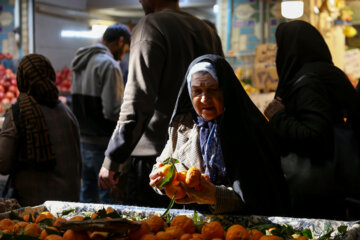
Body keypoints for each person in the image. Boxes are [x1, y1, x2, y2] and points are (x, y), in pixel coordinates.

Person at [98, 0, 224, 207]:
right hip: (201, 153)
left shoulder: (150, 25)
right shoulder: (207, 30)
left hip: (155, 160)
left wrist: (112, 159)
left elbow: (137, 102)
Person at [149, 54, 289, 215]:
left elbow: (264, 195)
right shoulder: (183, 125)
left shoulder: (249, 130)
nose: (204, 99)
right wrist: (160, 180)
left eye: (212, 90)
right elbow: (163, 164)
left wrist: (215, 196)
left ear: (225, 90)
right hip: (196, 227)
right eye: (197, 91)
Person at [264, 20, 360, 219]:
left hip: (320, 192)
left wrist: (278, 117)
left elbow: (315, 136)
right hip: (343, 186)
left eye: (280, 47)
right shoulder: (328, 73)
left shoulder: (309, 83)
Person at [0, 54, 81, 206]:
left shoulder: (19, 113)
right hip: (69, 204)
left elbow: (3, 164)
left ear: (22, 79)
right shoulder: (67, 112)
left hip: (33, 208)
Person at [71, 23, 130, 203]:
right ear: (120, 41)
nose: (124, 54)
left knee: (87, 194)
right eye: (126, 48)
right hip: (102, 143)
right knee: (108, 197)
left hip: (83, 141)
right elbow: (112, 110)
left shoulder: (81, 60)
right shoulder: (109, 65)